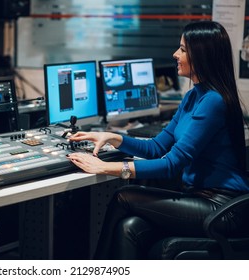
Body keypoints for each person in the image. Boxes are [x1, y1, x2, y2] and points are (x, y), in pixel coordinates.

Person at [66, 20, 249, 259]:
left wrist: (105, 167)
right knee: (129, 227)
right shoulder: (194, 96)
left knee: (124, 196)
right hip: (200, 196)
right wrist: (113, 137)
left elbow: (172, 163)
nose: (175, 54)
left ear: (202, 55)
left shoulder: (213, 101)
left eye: (183, 49)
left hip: (223, 207)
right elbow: (157, 147)